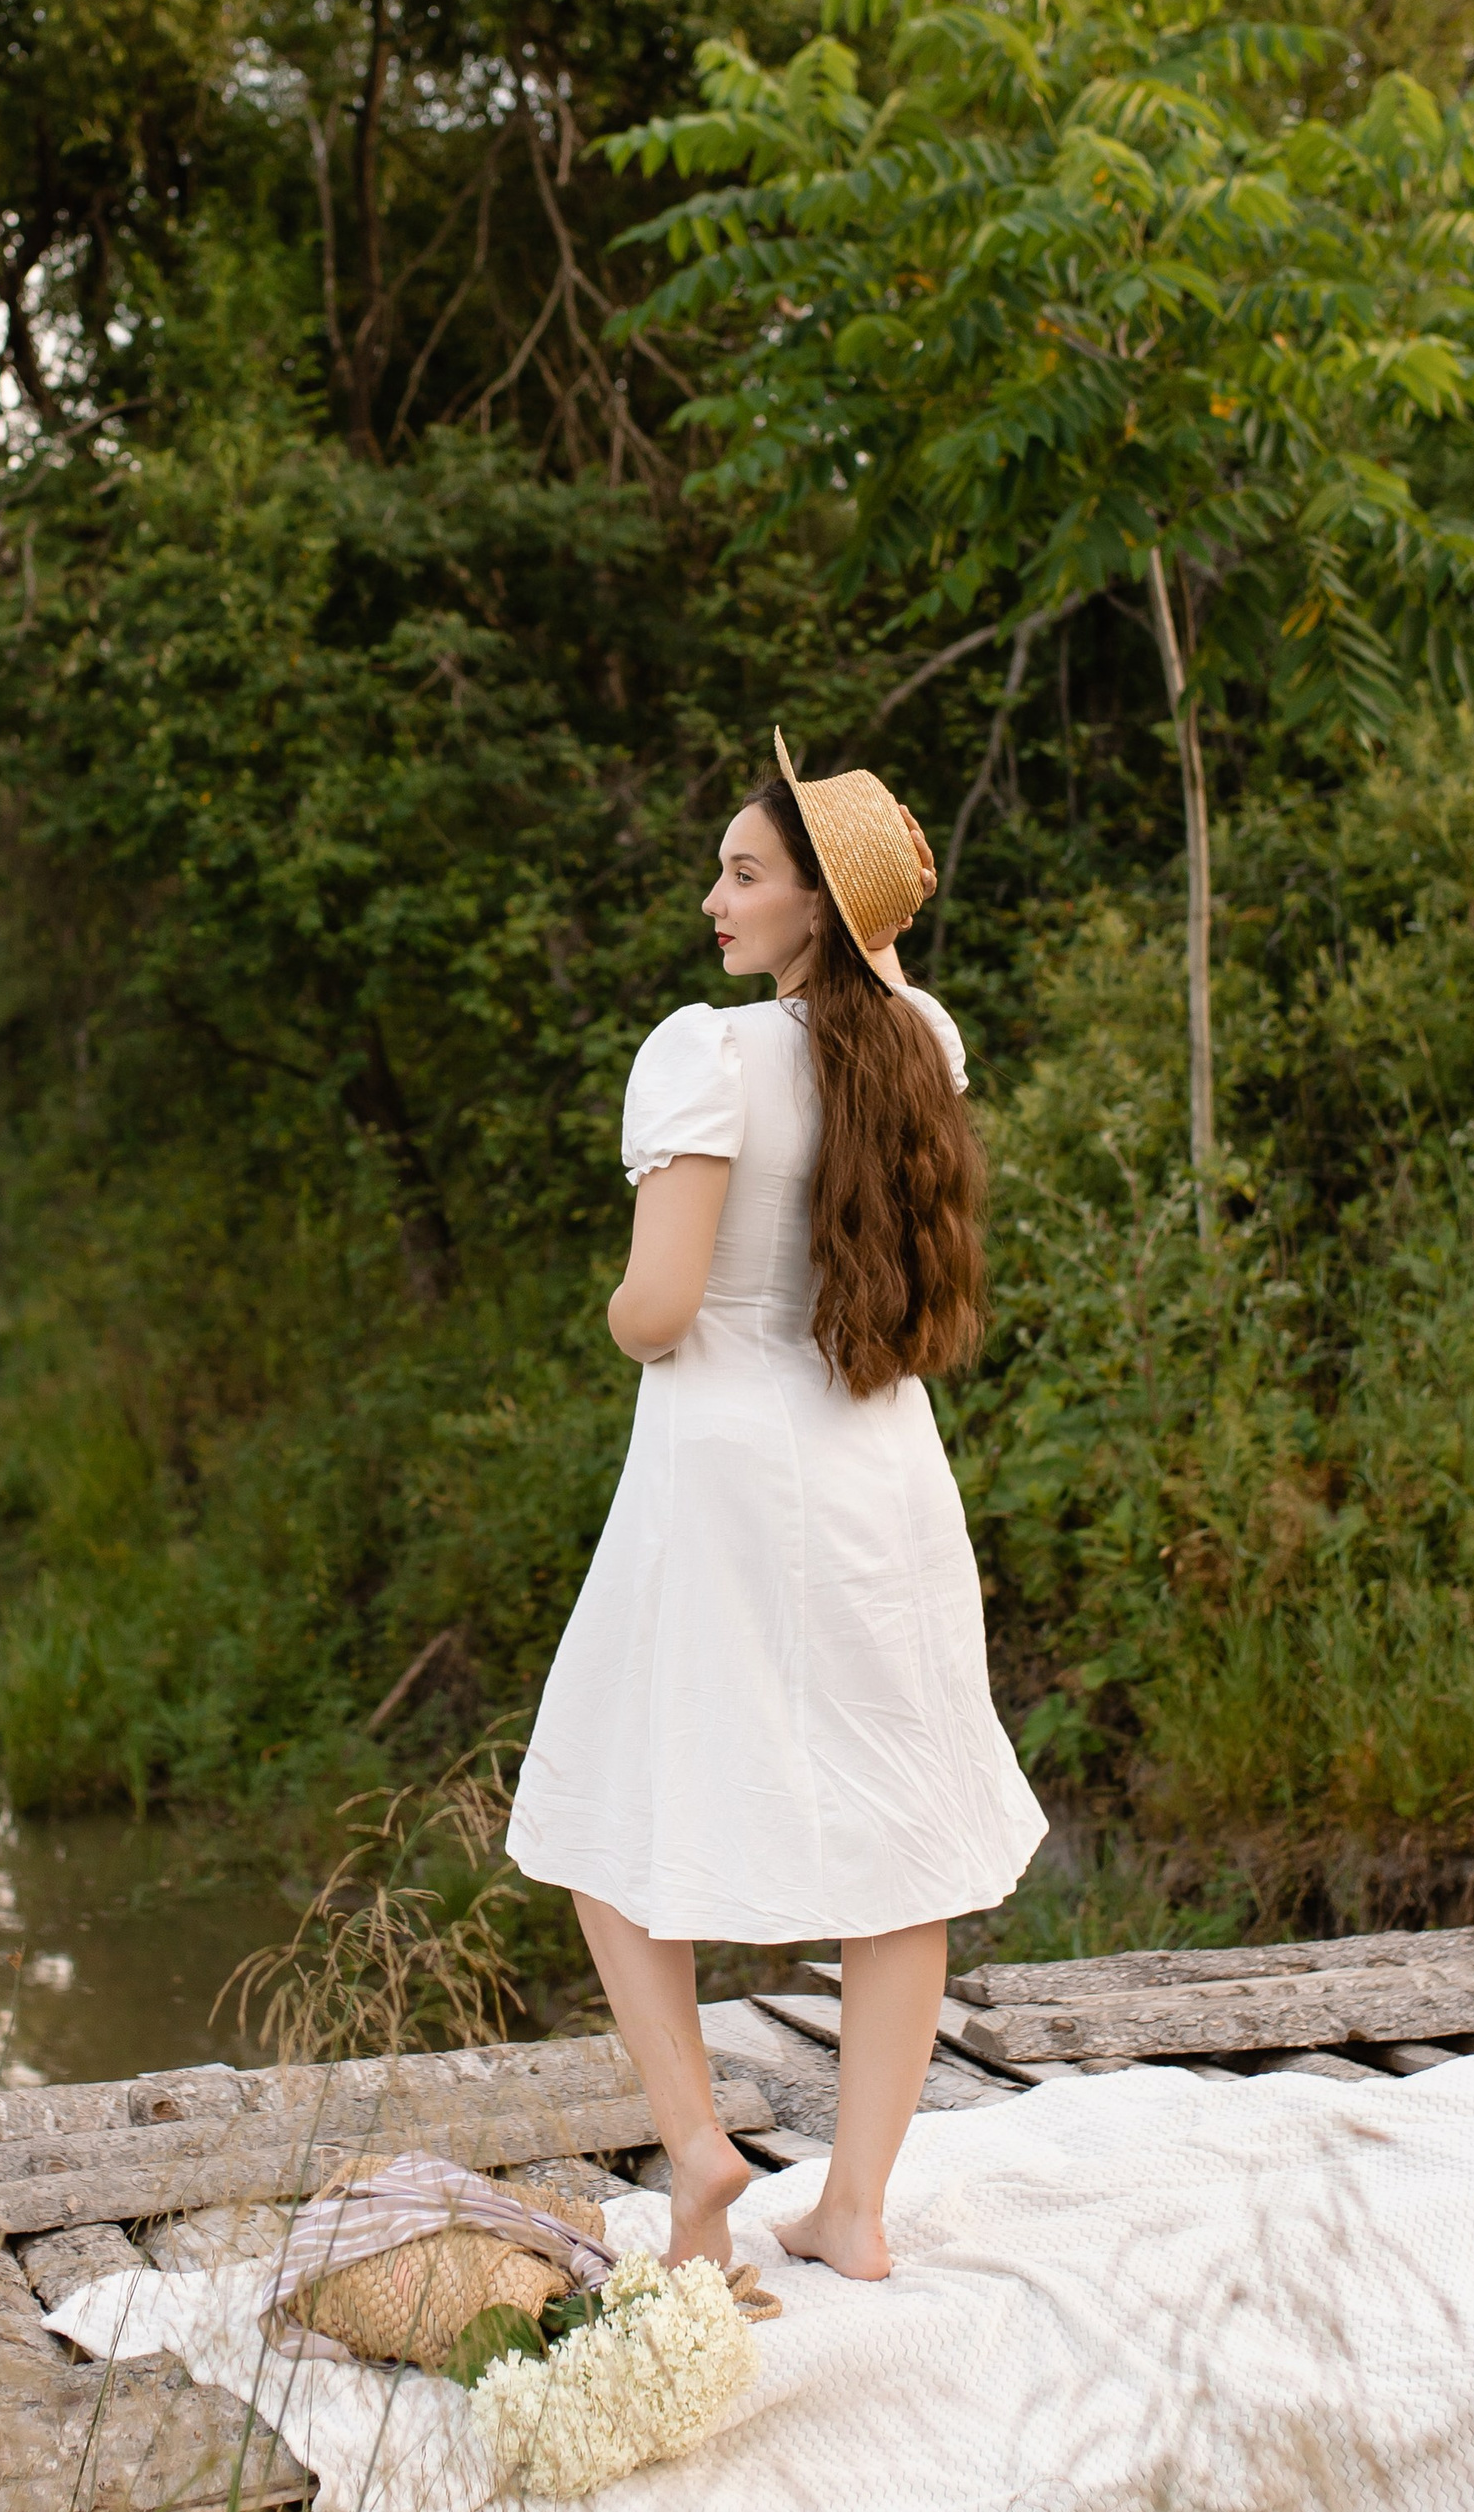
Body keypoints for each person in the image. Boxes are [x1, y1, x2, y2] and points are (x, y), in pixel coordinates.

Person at [507, 732, 1047, 2281]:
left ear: (816, 903)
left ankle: (695, 2144)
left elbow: (661, 1309)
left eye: (744, 875)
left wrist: (617, 1300)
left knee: (606, 1804)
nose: (712, 899)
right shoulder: (922, 1045)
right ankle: (856, 2209)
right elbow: (885, 1007)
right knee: (901, 1831)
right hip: (880, 1470)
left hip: (724, 1475)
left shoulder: (708, 1055)